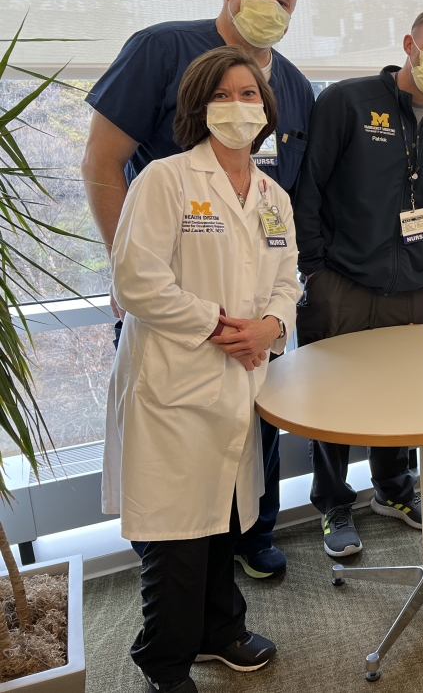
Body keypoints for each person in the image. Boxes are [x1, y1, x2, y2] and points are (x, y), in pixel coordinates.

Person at [82, 0, 314, 580]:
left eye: (285, 1)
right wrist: (127, 267)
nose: (273, 8)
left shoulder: (292, 83)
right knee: (174, 466)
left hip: (255, 314)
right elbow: (102, 162)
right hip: (179, 301)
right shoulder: (160, 50)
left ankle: (249, 536)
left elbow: (285, 230)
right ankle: (174, 581)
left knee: (252, 431)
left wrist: (269, 323)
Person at [103, 46, 301, 693]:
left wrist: (270, 329)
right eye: (225, 94)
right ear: (198, 106)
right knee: (177, 537)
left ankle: (221, 631)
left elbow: (287, 282)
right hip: (174, 383)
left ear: (267, 111)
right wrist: (222, 327)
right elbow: (135, 282)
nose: (240, 106)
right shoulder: (164, 179)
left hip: (241, 380)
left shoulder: (274, 196)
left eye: (251, 94)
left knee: (224, 519)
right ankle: (164, 662)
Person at [293, 7, 423, 558]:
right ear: (409, 44)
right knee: (331, 401)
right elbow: (310, 187)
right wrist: (314, 269)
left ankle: (392, 491)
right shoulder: (347, 102)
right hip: (340, 282)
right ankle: (335, 503)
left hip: (411, 287)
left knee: (402, 400)